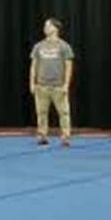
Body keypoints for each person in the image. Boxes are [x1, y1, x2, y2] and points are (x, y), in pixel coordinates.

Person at [30, 18, 74, 146]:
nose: (45, 28)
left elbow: (69, 66)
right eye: (45, 25)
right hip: (41, 86)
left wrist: (66, 85)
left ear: (55, 28)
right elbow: (34, 66)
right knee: (41, 113)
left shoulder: (64, 46)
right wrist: (32, 83)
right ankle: (42, 135)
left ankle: (65, 137)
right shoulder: (38, 46)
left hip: (58, 86)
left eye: (48, 25)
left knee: (64, 113)